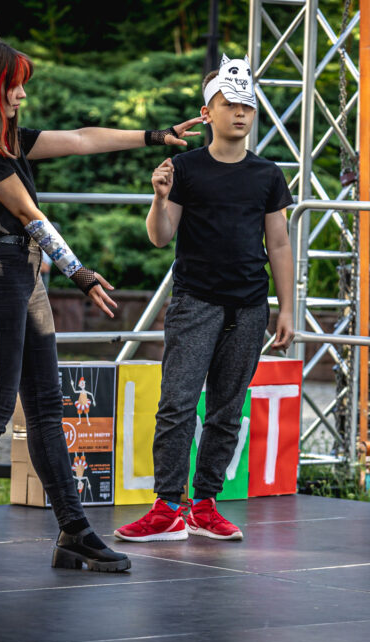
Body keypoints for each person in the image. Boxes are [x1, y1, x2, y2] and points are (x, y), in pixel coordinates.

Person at [0, 35, 201, 574]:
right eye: (14, 85)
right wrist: (79, 270)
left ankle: (74, 533)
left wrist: (153, 135)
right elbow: (28, 213)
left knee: (48, 408)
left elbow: (79, 139)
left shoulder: (5, 141)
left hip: (22, 273)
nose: (22, 95)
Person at [114, 54, 295, 543]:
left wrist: (286, 308)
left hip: (250, 304)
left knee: (227, 408)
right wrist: (157, 196)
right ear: (207, 111)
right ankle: (167, 506)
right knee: (176, 403)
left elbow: (278, 243)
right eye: (228, 103)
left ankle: (205, 503)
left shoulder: (267, 174)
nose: (239, 113)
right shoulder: (184, 167)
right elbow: (159, 236)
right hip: (196, 301)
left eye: (247, 106)